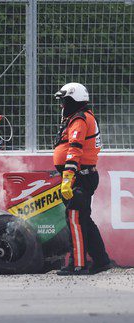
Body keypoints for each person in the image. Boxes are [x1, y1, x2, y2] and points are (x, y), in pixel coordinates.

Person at [53, 82, 111, 275]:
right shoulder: (82, 117)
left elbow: (75, 149)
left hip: (79, 176)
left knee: (75, 220)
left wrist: (68, 177)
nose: (62, 106)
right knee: (84, 220)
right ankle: (101, 260)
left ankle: (77, 264)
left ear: (73, 100)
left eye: (64, 101)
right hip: (84, 175)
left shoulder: (79, 119)